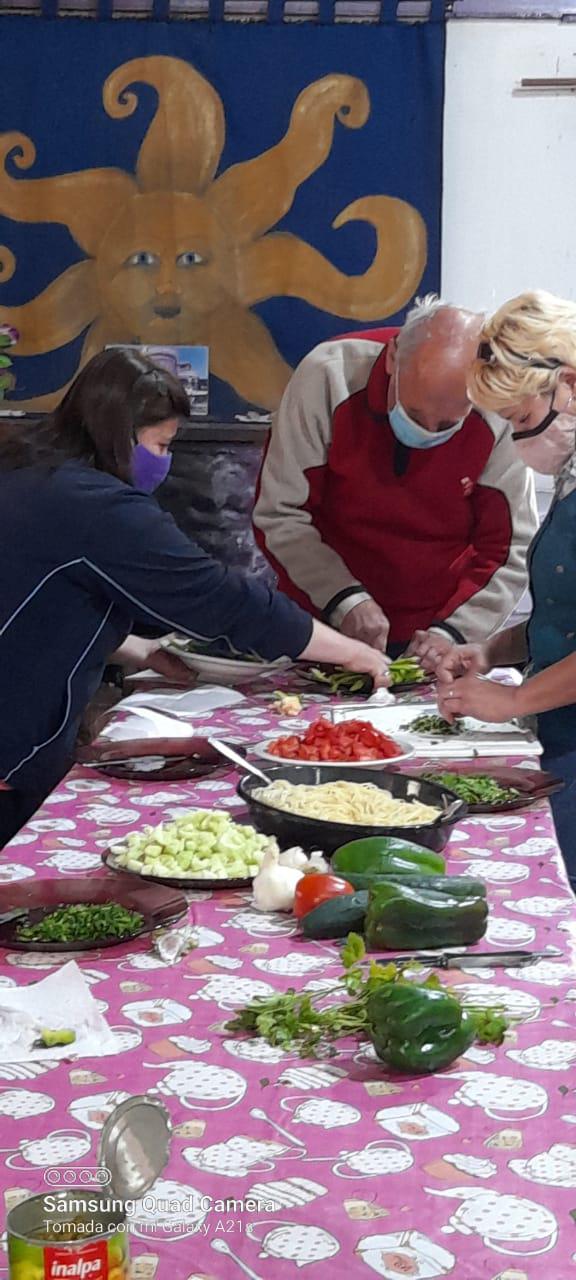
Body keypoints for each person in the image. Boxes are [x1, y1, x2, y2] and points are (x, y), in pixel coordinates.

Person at [0, 349, 389, 847]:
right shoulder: (94, 505)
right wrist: (352, 651)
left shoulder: (31, 471)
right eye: (161, 445)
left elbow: (45, 600)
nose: (165, 462)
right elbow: (222, 598)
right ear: (119, 434)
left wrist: (132, 648)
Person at [253, 295, 537, 662]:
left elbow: (510, 549)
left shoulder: (499, 406)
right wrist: (343, 598)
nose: (427, 431)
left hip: (438, 628)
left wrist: (453, 632)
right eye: (415, 411)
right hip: (321, 621)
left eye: (449, 424)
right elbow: (281, 514)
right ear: (392, 358)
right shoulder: (328, 376)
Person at [434, 290, 576, 882]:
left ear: (569, 384)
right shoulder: (570, 478)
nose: (516, 439)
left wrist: (515, 700)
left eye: (519, 419)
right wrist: (494, 651)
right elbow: (563, 614)